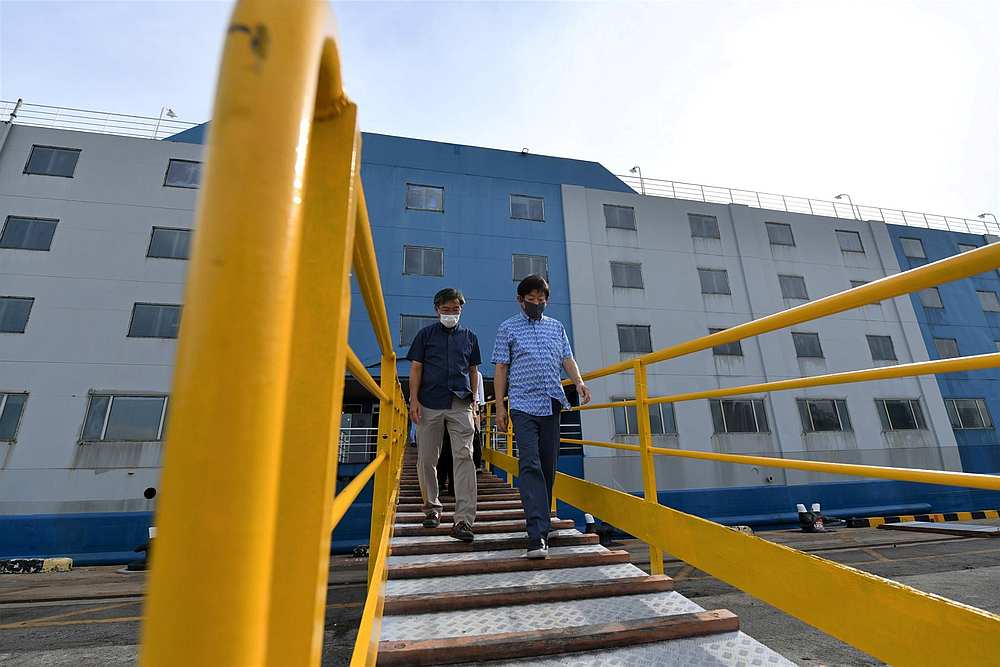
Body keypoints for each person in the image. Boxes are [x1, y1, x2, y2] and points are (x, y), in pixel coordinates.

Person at [492, 274, 591, 559]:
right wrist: (500, 406)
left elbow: (567, 358)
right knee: (531, 464)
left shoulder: (556, 327)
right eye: (531, 300)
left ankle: (543, 518)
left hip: (552, 403)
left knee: (548, 465)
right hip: (523, 404)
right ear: (520, 300)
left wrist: (580, 382)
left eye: (541, 300)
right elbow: (500, 368)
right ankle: (536, 534)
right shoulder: (507, 328)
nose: (537, 304)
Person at [407, 288, 481, 542]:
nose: (451, 313)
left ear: (461, 310)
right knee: (427, 458)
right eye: (446, 309)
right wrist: (413, 400)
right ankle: (432, 508)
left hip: (461, 403)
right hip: (429, 402)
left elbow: (473, 371)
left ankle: (464, 521)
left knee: (465, 457)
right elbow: (416, 369)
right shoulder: (425, 335)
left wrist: (474, 403)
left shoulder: (470, 337)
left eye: (455, 309)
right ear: (437, 309)